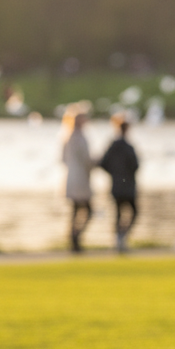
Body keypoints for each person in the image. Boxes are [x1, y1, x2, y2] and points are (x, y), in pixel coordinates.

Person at [100, 114, 140, 252]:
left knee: (118, 213)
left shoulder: (112, 146)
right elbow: (135, 165)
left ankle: (118, 237)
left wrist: (114, 174)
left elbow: (103, 163)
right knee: (133, 211)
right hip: (127, 185)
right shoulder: (128, 147)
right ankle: (122, 236)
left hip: (117, 184)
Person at [62, 106, 96, 251]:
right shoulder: (78, 138)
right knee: (88, 210)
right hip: (80, 179)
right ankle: (75, 237)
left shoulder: (67, 137)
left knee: (75, 210)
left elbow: (63, 159)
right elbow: (86, 160)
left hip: (72, 177)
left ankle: (73, 238)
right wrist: (98, 162)